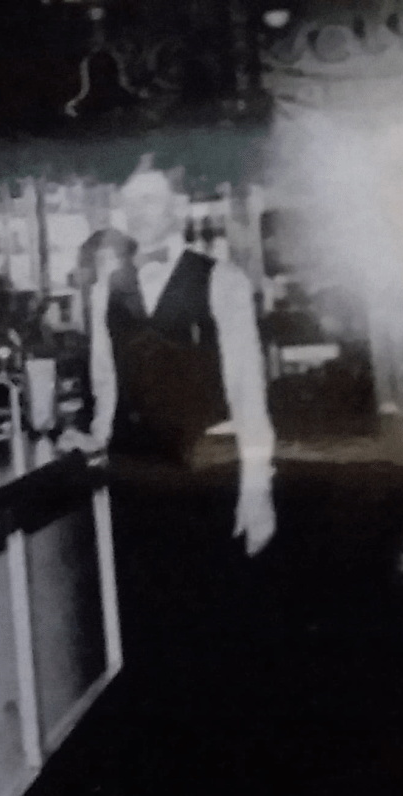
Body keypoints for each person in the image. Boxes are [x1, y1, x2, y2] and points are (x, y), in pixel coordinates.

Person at [61, 160, 278, 673]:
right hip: (135, 474)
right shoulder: (106, 290)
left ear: (177, 208)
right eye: (131, 202)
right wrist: (96, 437)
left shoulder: (221, 279)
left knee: (216, 624)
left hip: (206, 472)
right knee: (146, 628)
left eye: (151, 199)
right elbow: (107, 383)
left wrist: (257, 489)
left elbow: (248, 391)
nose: (140, 212)